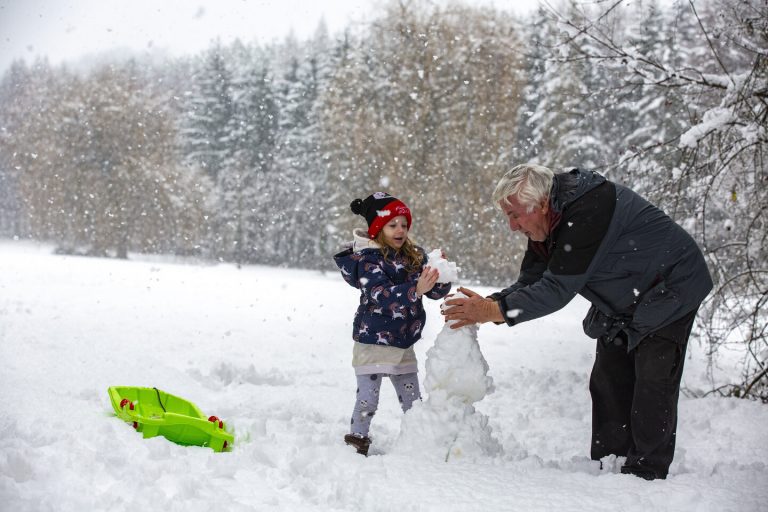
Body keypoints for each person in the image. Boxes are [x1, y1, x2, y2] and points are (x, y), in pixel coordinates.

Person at [443, 164, 712, 480]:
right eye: (507, 216)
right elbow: (533, 279)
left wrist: (493, 312)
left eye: (515, 215)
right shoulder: (548, 225)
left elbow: (556, 290)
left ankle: (646, 472)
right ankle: (609, 460)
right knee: (609, 376)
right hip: (625, 298)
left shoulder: (587, 211)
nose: (512, 226)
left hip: (671, 286)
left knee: (653, 378)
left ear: (542, 203)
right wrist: (491, 304)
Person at [334, 192, 452, 456]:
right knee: (368, 399)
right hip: (372, 342)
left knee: (413, 401)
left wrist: (439, 271)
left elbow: (432, 291)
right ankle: (357, 441)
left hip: (403, 341)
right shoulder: (369, 260)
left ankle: (422, 440)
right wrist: (415, 288)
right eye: (392, 225)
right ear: (378, 229)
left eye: (404, 224)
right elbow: (380, 294)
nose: (400, 230)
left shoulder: (413, 255)